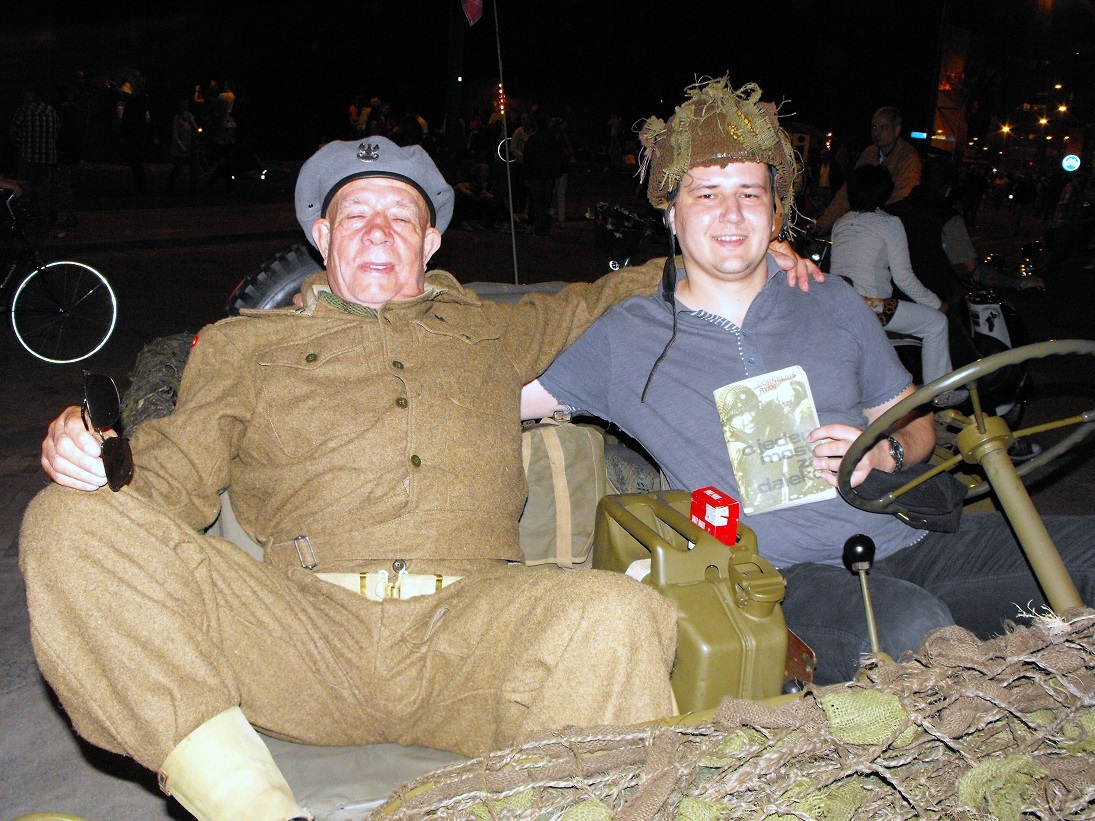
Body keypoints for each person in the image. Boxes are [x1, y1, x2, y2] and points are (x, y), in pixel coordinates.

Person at [28, 134, 819, 821]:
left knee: (614, 612)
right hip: (300, 633)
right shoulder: (244, 346)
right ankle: (251, 805)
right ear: (320, 232)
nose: (377, 233)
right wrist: (96, 463)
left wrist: (735, 258)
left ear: (431, 240)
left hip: (473, 630)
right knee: (66, 521)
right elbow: (172, 474)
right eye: (356, 216)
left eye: (399, 217)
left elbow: (602, 295)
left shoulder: (488, 327)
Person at [521, 77, 1095, 687]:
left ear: (775, 210)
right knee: (916, 632)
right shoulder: (625, 336)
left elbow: (915, 417)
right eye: (706, 193)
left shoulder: (831, 302)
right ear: (670, 211)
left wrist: (886, 448)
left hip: (905, 533)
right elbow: (506, 392)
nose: (732, 214)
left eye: (750, 192)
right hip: (780, 577)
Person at [830, 164, 966, 406]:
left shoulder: (841, 223)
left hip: (839, 306)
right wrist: (937, 304)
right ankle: (941, 393)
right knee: (936, 323)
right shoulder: (889, 224)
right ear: (885, 192)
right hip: (872, 307)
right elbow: (903, 277)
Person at [813, 106, 922, 234]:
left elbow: (900, 199)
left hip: (891, 229)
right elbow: (848, 191)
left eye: (883, 127)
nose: (876, 133)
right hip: (865, 224)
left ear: (897, 129)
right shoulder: (869, 153)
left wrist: (865, 220)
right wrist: (822, 224)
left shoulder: (908, 158)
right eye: (874, 127)